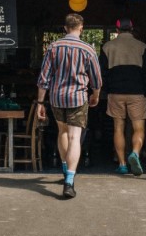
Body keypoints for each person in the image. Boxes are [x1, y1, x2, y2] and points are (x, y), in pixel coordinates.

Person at [35, 13, 102, 199]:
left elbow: (43, 79)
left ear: (65, 28)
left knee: (62, 132)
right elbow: (96, 80)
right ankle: (69, 181)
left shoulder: (53, 47)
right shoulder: (88, 49)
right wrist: (95, 96)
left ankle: (65, 170)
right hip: (78, 99)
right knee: (74, 137)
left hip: (57, 98)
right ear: (81, 28)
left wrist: (40, 102)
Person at [101, 18, 146, 176]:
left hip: (116, 93)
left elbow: (102, 73)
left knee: (118, 127)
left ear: (117, 30)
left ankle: (122, 164)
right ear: (131, 29)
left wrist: (106, 90)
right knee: (139, 128)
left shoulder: (107, 47)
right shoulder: (142, 47)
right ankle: (135, 153)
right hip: (137, 92)